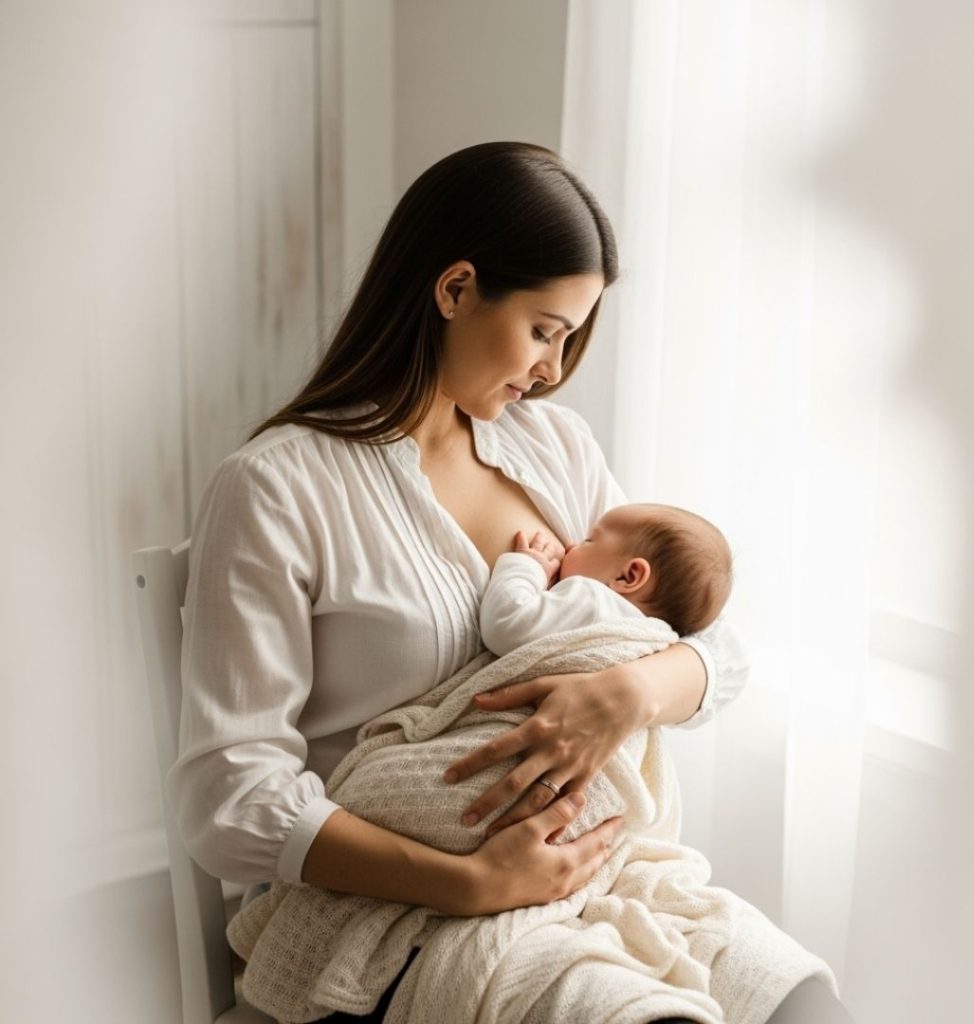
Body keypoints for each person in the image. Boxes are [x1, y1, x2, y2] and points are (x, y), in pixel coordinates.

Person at [168, 141, 851, 1023]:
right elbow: (229, 800)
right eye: (543, 331)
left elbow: (707, 643)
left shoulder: (554, 449)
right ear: (454, 291)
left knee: (804, 1007)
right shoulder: (276, 486)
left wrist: (626, 693)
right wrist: (468, 881)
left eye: (567, 341)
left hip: (600, 872)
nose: (552, 372)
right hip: (391, 911)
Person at [479, 503, 733, 660]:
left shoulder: (593, 600)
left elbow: (506, 624)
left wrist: (528, 566)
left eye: (589, 541)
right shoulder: (653, 640)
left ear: (627, 577)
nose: (571, 544)